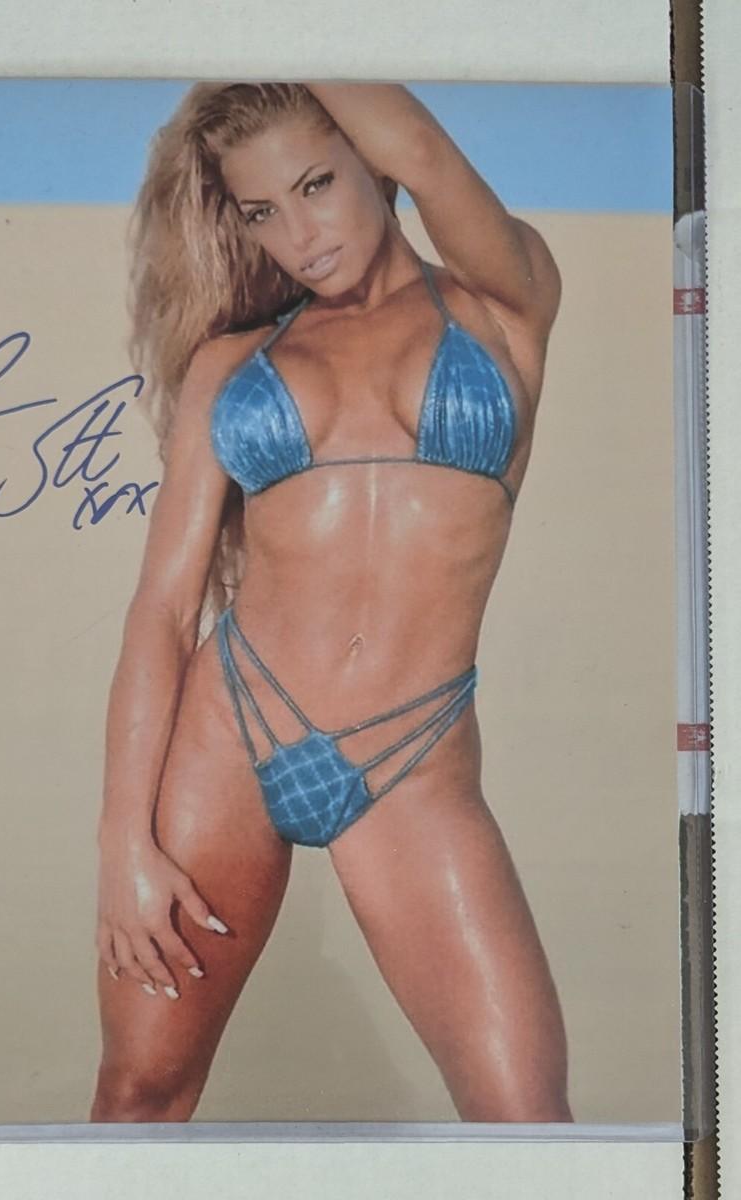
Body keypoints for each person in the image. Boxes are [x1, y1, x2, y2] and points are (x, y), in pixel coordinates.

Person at [90, 81, 571, 1124]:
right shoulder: (234, 364)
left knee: (527, 1125)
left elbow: (426, 147)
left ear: (374, 166)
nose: (299, 236)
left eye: (316, 185)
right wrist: (122, 847)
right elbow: (162, 610)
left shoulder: (503, 304)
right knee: (141, 1094)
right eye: (262, 210)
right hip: (231, 733)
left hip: (410, 761)